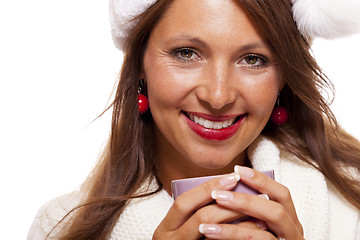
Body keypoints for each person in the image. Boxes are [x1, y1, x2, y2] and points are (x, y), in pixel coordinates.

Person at [28, 0, 360, 239]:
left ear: (285, 78)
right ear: (139, 64)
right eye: (186, 53)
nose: (218, 96)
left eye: (253, 59)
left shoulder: (352, 206)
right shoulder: (59, 228)